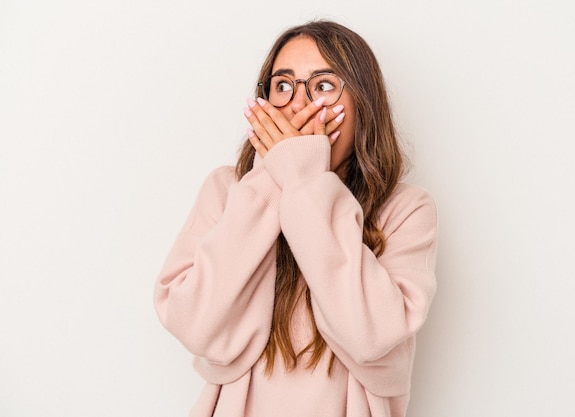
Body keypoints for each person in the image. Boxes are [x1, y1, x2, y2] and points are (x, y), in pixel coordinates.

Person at [154, 19, 438, 417]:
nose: (299, 106)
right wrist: (271, 178)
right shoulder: (227, 191)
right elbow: (194, 324)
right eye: (282, 86)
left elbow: (372, 335)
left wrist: (303, 178)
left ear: (364, 102)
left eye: (323, 85)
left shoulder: (406, 210)